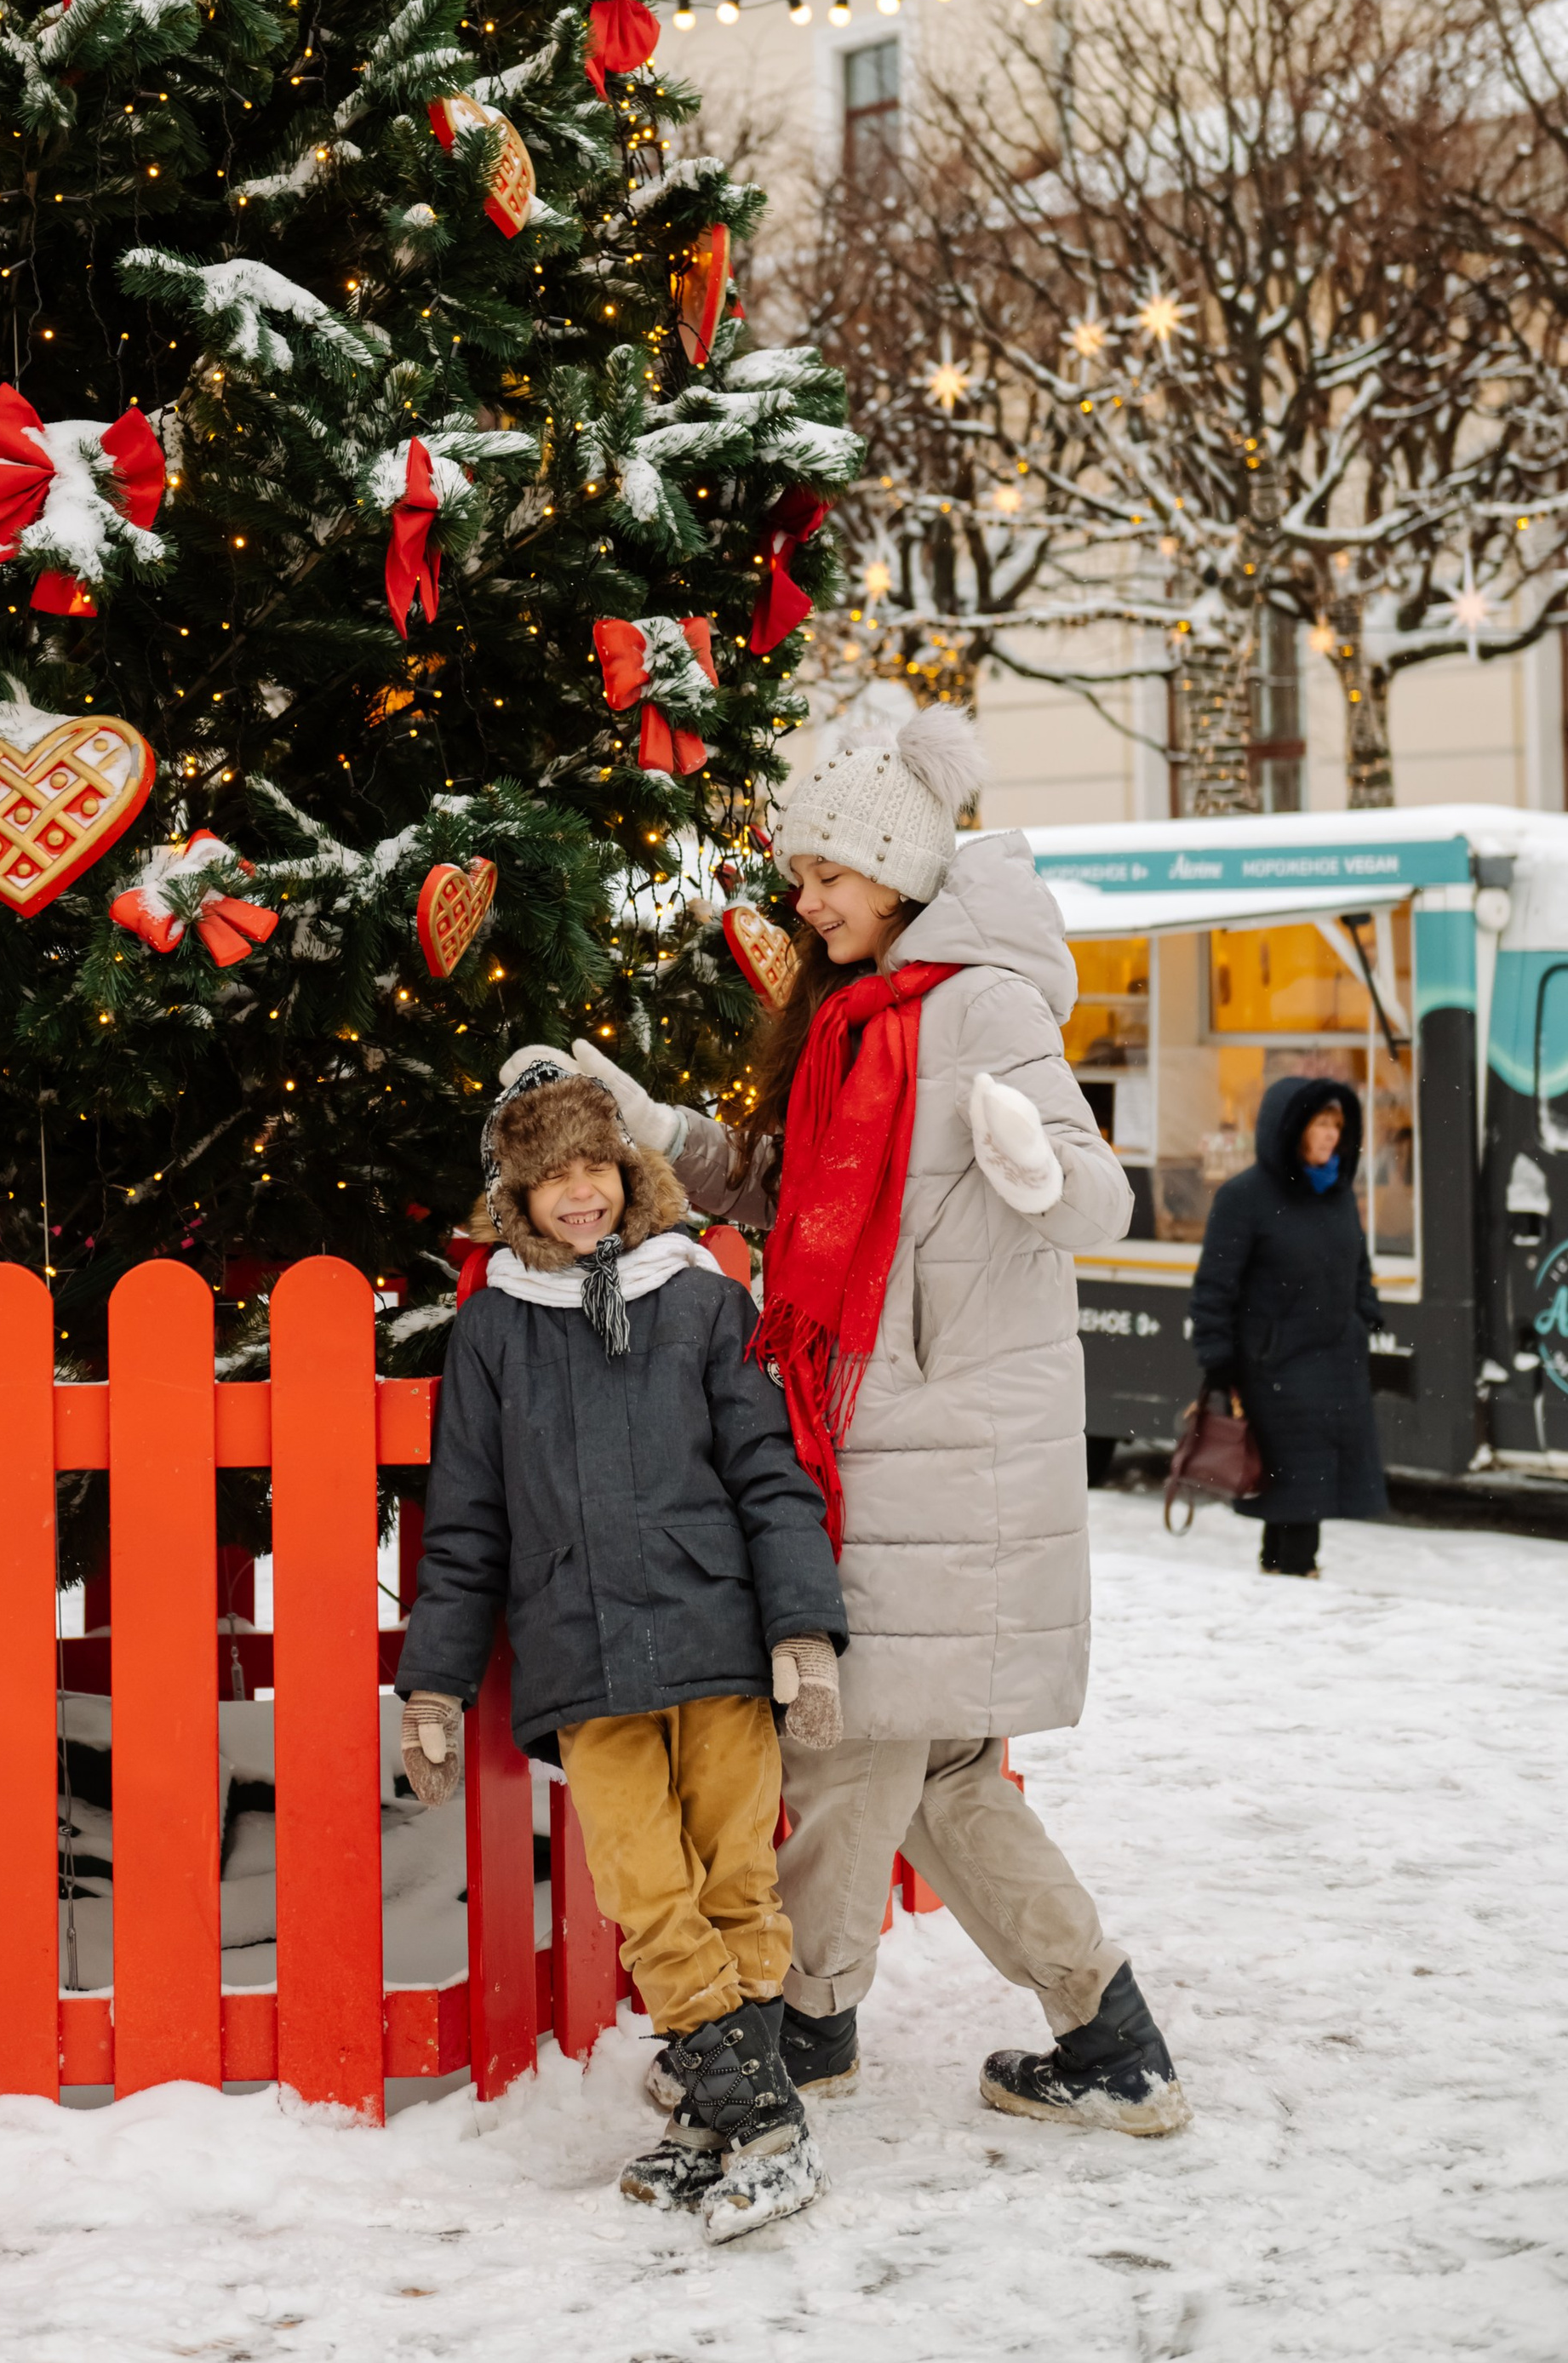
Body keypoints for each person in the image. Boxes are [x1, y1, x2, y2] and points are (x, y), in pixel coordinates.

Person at [575, 706, 1193, 2137]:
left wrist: (1036, 1168)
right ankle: (1111, 2041)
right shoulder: (856, 1021)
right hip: (887, 1445)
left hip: (946, 1454)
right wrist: (661, 1133)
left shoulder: (978, 1007)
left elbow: (1102, 1201)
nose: (805, 899)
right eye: (802, 875)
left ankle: (809, 2027)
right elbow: (790, 1199)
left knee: (856, 1751)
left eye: (826, 875)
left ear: (901, 871)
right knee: (949, 1775)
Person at [395, 1048, 850, 2240]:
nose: (581, 1191)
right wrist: (433, 1686)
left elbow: (767, 1470)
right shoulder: (493, 1327)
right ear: (518, 1194)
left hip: (715, 1634)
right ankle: (757, 2115)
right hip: (581, 1653)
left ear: (627, 1166)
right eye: (553, 1177)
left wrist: (802, 1627)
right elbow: (470, 1522)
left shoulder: (702, 1297)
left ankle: (726, 2120)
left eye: (596, 1162)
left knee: (736, 1877)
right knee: (650, 1887)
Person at [1188, 1076, 1388, 1577]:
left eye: (1337, 1126)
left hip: (1336, 1362)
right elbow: (1215, 1287)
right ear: (1290, 1129)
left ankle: (1282, 1573)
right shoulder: (1245, 1198)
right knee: (1294, 1482)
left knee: (1306, 1486)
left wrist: (1363, 1316)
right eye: (1320, 1125)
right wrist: (1218, 1360)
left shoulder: (1338, 1194)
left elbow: (1359, 1267)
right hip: (1276, 1369)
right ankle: (1294, 1575)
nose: (1330, 1137)